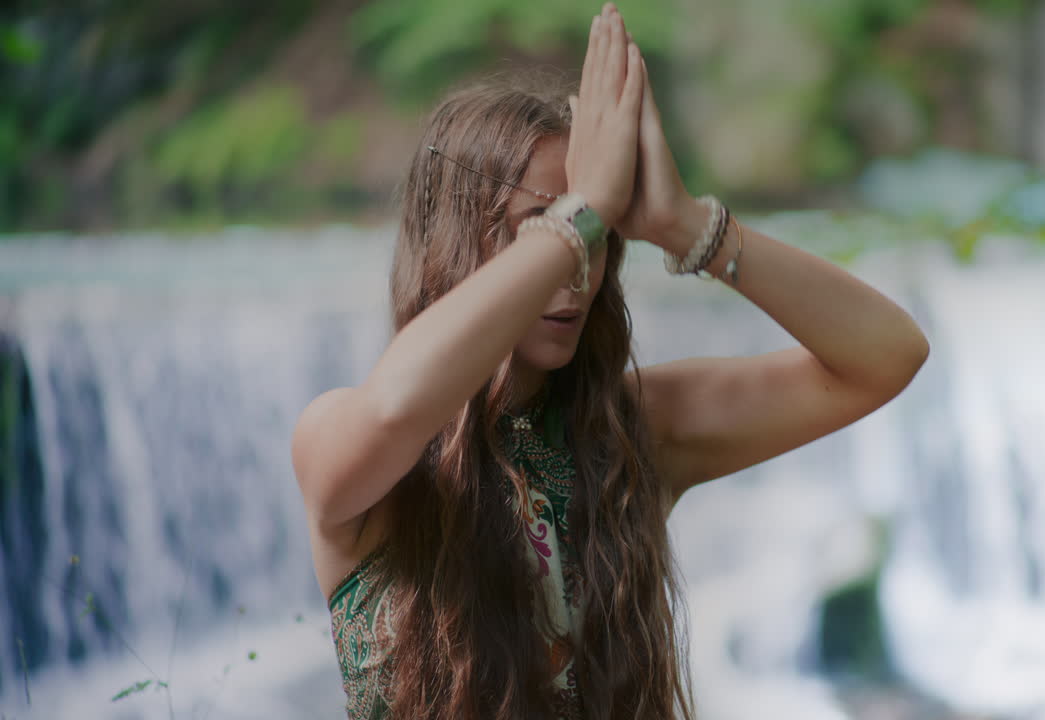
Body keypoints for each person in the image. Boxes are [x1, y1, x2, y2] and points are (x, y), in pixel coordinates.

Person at [290, 4, 929, 719]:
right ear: (455, 243)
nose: (576, 268)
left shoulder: (634, 429)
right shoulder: (342, 442)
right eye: (544, 227)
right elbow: (397, 407)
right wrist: (584, 205)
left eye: (596, 235)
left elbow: (888, 353)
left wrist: (683, 224)